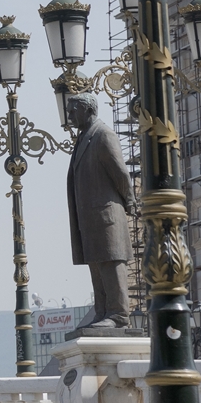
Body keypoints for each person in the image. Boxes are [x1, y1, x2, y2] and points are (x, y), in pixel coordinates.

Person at [67, 92, 134, 331]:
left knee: (110, 262)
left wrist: (130, 201)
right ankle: (103, 311)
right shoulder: (84, 138)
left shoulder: (103, 135)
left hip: (106, 215)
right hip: (90, 218)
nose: (69, 115)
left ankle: (118, 314)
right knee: (96, 264)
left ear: (88, 110)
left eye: (73, 110)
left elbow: (120, 173)